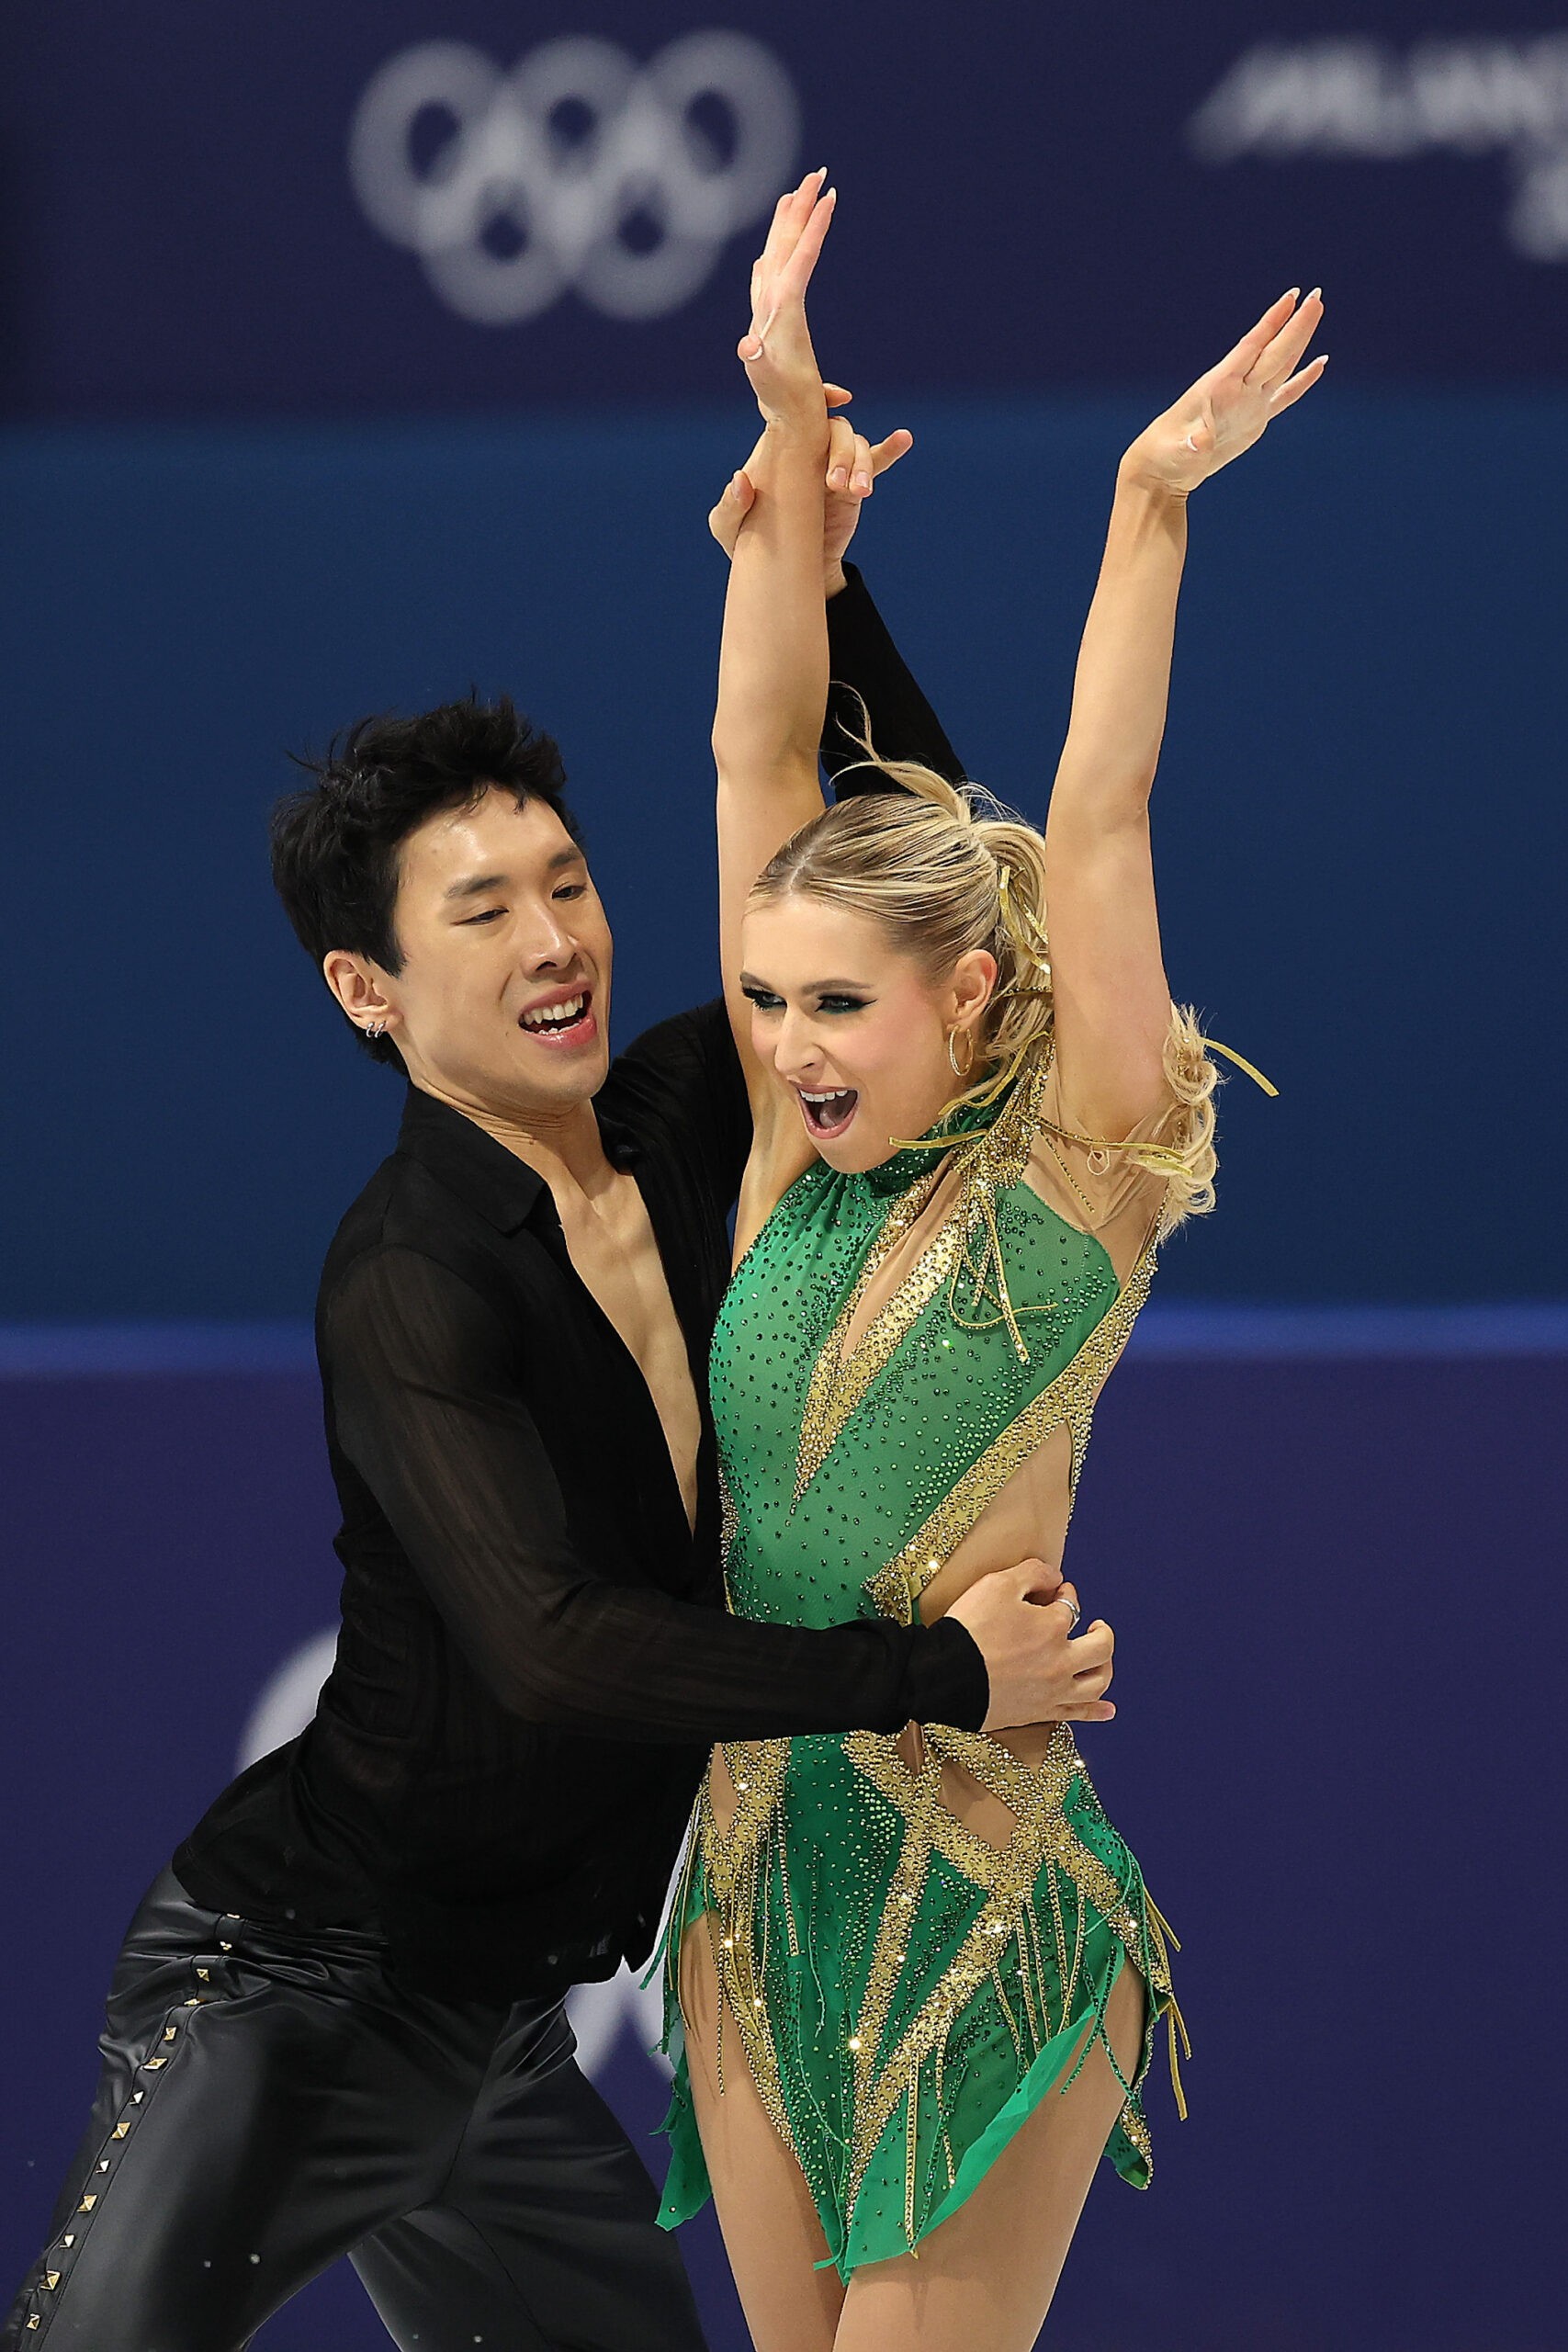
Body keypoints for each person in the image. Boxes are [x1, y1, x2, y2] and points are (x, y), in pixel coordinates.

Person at [2, 196, 1114, 2352]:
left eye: (568, 881)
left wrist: (820, 570)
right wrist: (932, 1678)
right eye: (480, 914)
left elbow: (903, 901)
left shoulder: (707, 1116)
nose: (555, 941)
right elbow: (554, 1645)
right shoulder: (408, 1275)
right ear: (363, 988)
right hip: (290, 1993)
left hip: (506, 2037)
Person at [658, 179, 1325, 2349]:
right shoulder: (777, 1169)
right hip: (754, 1884)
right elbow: (759, 753)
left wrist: (1145, 509)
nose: (780, 1046)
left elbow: (1098, 809)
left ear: (962, 993)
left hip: (974, 1880)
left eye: (833, 1006)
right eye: (767, 1003)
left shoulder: (1074, 1189)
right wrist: (777, 467)